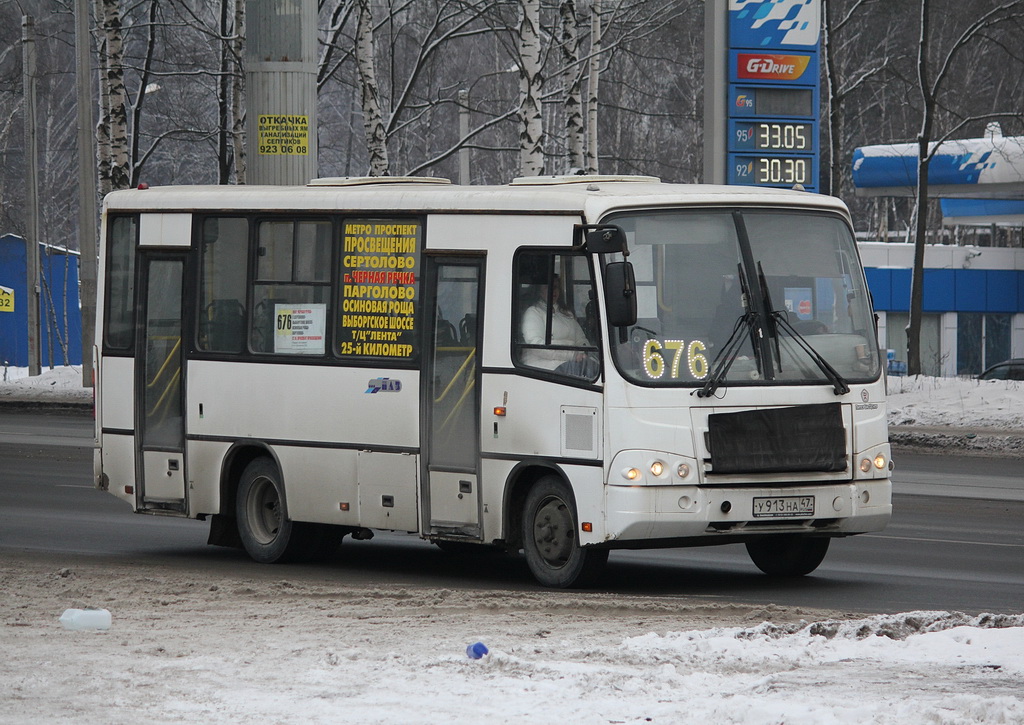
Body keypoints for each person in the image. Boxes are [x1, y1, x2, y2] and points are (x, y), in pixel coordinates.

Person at [520, 276, 594, 376]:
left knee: (595, 368)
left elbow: (581, 340)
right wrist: (573, 354)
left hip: (570, 365)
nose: (553, 290)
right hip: (541, 369)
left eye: (556, 287)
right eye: (549, 287)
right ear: (539, 291)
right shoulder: (533, 312)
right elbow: (537, 346)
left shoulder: (566, 313)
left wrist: (586, 354)